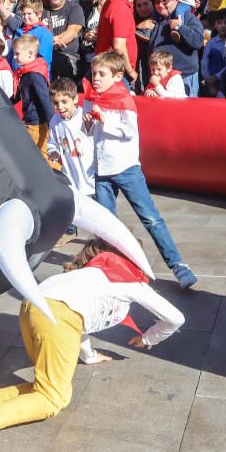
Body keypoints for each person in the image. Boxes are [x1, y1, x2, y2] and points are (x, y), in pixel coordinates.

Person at [0, 238, 183, 448]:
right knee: (53, 399)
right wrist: (149, 337)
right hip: (58, 318)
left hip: (32, 309)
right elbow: (175, 317)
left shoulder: (87, 273)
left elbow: (80, 321)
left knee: (49, 388)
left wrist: (90, 356)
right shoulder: (129, 280)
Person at [83, 51, 196, 289]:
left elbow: (129, 132)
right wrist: (89, 125)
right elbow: (93, 135)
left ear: (117, 76)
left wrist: (104, 120)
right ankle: (111, 264)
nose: (95, 78)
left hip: (126, 168)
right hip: (103, 170)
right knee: (106, 223)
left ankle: (177, 264)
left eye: (101, 74)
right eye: (94, 73)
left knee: (150, 218)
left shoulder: (124, 100)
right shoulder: (96, 100)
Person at [147, 0, 204, 96]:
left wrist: (180, 27)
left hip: (184, 77)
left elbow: (198, 41)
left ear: (176, 0)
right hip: (160, 78)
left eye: (165, 1)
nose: (160, 5)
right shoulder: (156, 20)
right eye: (157, 2)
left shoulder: (187, 17)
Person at [46, 78, 94, 198]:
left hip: (91, 180)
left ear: (75, 99)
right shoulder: (55, 121)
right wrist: (53, 152)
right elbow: (52, 143)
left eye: (64, 102)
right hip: (71, 180)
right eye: (56, 103)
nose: (60, 107)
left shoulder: (84, 117)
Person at [11, 34, 54, 166]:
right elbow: (17, 95)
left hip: (38, 123)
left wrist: (53, 124)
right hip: (30, 121)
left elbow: (45, 99)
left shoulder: (34, 75)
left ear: (30, 53)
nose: (14, 57)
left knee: (42, 158)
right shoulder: (25, 73)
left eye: (17, 54)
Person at [95, 0, 141, 86]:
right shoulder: (120, 8)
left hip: (110, 67)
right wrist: (130, 71)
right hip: (117, 71)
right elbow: (119, 47)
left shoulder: (112, 2)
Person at [44, 0, 86, 80]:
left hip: (68, 59)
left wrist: (48, 41)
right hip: (47, 60)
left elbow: (72, 32)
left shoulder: (74, 8)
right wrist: (51, 40)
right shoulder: (41, 10)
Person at [9, 0, 53, 70]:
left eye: (29, 14)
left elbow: (44, 59)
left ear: (39, 14)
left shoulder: (44, 33)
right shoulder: (19, 31)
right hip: (16, 74)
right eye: (24, 14)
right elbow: (11, 54)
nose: (26, 17)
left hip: (33, 74)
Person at [201, 13, 226, 84]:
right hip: (212, 82)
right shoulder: (211, 43)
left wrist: (216, 77)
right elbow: (204, 62)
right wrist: (207, 79)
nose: (223, 26)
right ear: (215, 25)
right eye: (219, 23)